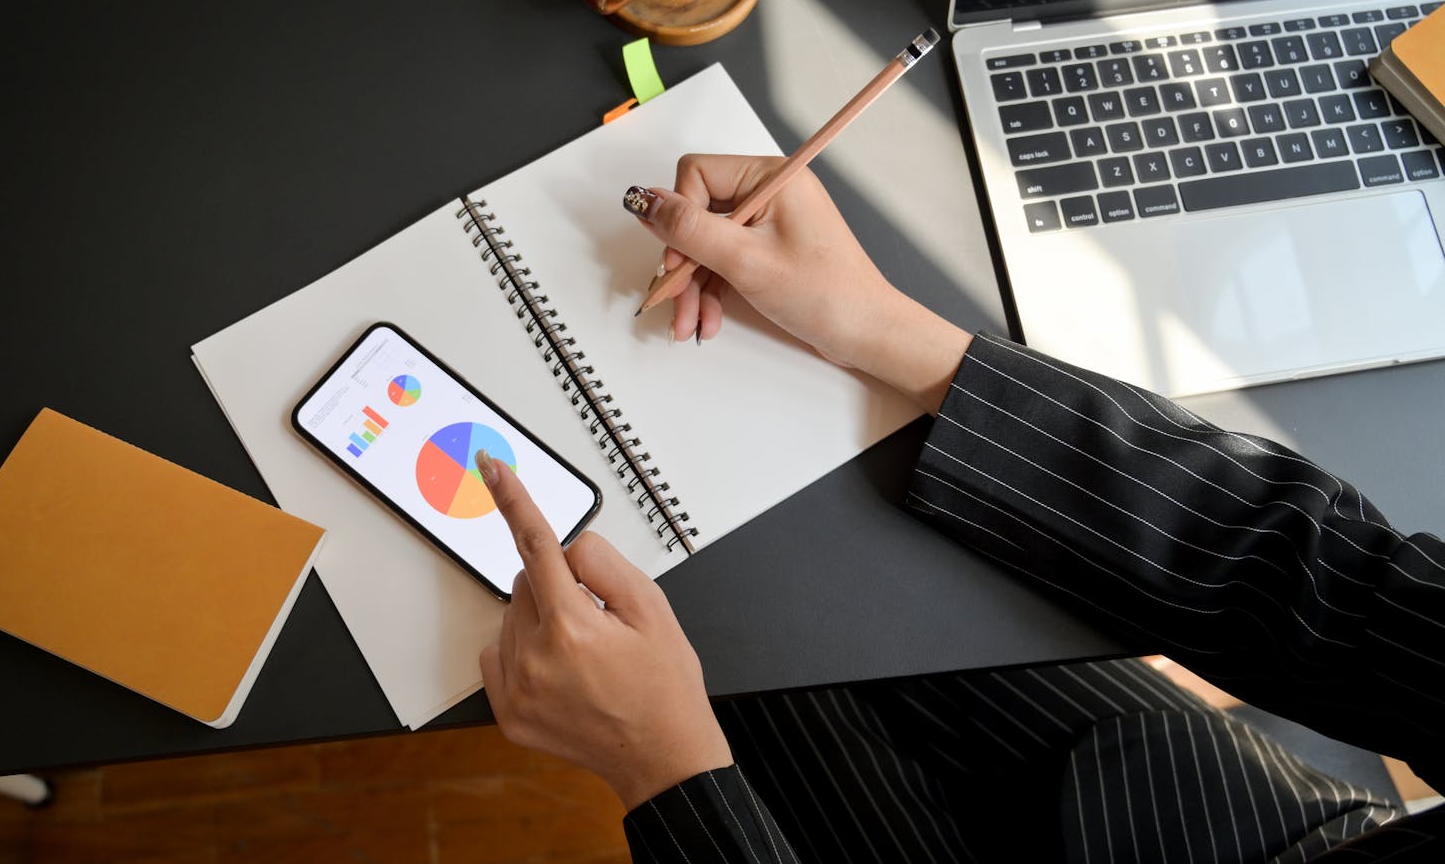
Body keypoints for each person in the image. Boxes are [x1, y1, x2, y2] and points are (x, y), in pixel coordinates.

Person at [469, 154, 1445, 862]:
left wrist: (665, 774)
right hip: (1201, 804)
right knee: (784, 622)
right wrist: (886, 330)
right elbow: (1328, 588)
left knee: (708, 645)